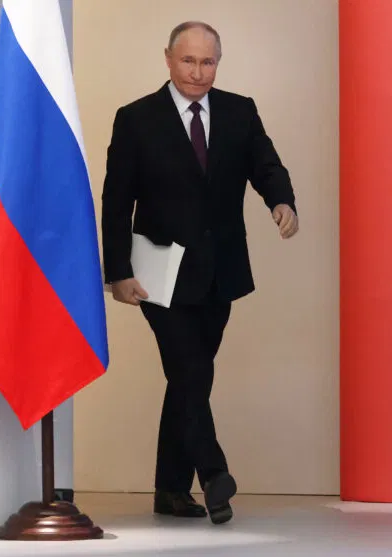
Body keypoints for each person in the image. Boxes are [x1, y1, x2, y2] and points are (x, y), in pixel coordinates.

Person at [100, 20, 298, 525]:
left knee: (189, 377)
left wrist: (281, 200)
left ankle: (170, 490)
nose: (197, 71)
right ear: (168, 59)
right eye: (188, 60)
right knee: (189, 369)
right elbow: (116, 201)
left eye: (207, 62)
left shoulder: (239, 110)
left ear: (218, 63)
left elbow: (266, 165)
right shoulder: (136, 119)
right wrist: (117, 271)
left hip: (220, 272)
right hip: (157, 273)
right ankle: (213, 473)